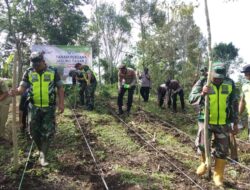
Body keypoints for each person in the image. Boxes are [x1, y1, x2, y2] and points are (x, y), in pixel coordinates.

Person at [9, 51, 64, 166]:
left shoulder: (53, 71)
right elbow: (22, 88)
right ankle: (40, 149)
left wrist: (61, 103)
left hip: (49, 107)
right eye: (34, 65)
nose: (36, 68)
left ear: (43, 61)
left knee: (47, 133)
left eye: (37, 65)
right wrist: (17, 91)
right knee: (33, 131)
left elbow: (60, 88)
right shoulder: (29, 72)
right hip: (33, 107)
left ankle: (43, 156)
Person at [189, 63, 238, 187]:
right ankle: (205, 163)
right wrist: (202, 94)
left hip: (223, 122)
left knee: (223, 149)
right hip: (205, 120)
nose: (218, 79)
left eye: (221, 77)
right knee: (202, 144)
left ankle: (218, 174)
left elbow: (234, 103)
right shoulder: (203, 82)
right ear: (210, 74)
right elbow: (191, 98)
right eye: (215, 77)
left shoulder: (230, 83)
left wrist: (235, 122)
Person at [239, 64, 250, 141]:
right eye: (244, 73)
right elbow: (242, 101)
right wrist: (238, 115)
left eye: (247, 72)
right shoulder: (244, 85)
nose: (245, 74)